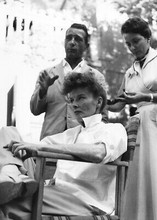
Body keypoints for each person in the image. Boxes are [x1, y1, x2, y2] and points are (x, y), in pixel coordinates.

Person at [0, 71, 127, 220]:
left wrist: (42, 148)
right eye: (72, 99)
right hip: (55, 193)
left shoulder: (114, 129)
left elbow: (99, 152)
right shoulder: (71, 134)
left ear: (98, 102)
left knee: (8, 204)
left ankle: (11, 183)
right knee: (8, 132)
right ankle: (11, 178)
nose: (74, 104)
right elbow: (36, 145)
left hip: (85, 201)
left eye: (81, 98)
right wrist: (25, 149)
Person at [107, 17, 157, 220]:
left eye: (136, 41)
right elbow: (118, 103)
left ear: (148, 37)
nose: (131, 47)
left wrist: (146, 97)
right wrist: (96, 99)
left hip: (155, 122)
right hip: (139, 127)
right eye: (128, 43)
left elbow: (144, 97)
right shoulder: (130, 72)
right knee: (141, 176)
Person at [30, 23, 108, 140]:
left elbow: (103, 117)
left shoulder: (96, 77)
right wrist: (43, 90)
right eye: (69, 38)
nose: (72, 42)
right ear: (64, 42)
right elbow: (35, 110)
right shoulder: (47, 74)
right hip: (50, 144)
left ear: (86, 46)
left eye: (78, 39)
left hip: (81, 145)